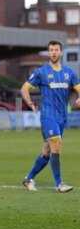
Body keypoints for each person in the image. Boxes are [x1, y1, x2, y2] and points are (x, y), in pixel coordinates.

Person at [21, 40, 80, 193]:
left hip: (62, 117)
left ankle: (28, 179)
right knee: (56, 143)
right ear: (49, 53)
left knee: (47, 152)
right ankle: (59, 184)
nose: (53, 52)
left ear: (60, 52)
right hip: (48, 116)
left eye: (56, 50)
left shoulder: (69, 73)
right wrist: (29, 102)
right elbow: (25, 88)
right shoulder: (41, 72)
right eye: (51, 50)